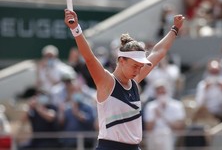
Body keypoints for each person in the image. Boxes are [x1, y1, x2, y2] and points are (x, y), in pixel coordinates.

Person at [64, 9, 185, 150]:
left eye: (140, 66)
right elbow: (89, 58)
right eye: (135, 66)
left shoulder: (134, 80)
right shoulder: (107, 82)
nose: (138, 70)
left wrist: (175, 28)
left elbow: (158, 52)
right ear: (121, 61)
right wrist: (76, 29)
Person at [143, 79, 186, 150]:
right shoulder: (150, 106)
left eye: (163, 91)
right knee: (153, 135)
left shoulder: (177, 105)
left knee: (165, 134)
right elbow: (148, 128)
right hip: (154, 135)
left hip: (171, 135)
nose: (161, 93)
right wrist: (155, 115)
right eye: (158, 91)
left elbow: (180, 127)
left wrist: (163, 115)